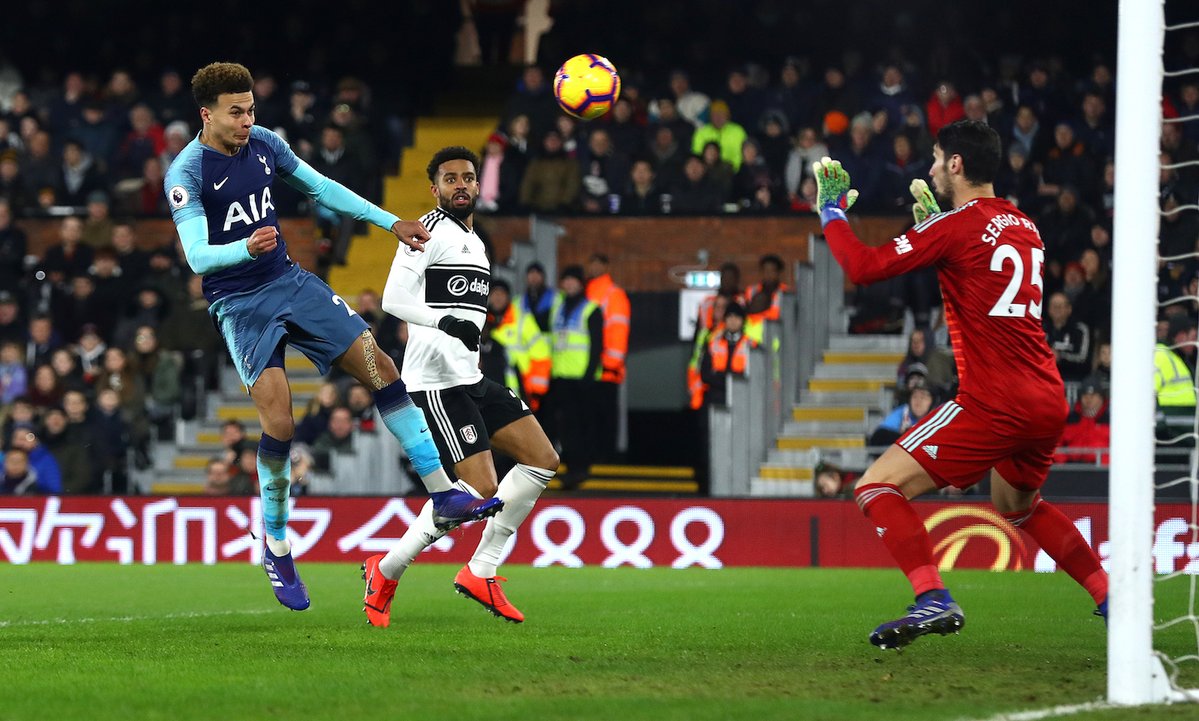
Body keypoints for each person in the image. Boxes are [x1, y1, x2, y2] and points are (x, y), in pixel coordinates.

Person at [163, 63, 500, 612]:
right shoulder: (188, 171)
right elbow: (199, 256)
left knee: (382, 369)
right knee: (280, 422)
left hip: (291, 283)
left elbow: (320, 186)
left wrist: (390, 221)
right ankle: (274, 541)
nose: (249, 120)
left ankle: (443, 492)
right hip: (239, 303)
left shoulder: (266, 144)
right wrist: (244, 249)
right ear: (207, 114)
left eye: (251, 109)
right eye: (236, 112)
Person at [811, 119, 1108, 649]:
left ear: (955, 164)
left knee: (876, 486)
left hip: (995, 401)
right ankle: (1110, 595)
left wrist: (831, 213)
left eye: (933, 158)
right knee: (1018, 507)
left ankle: (933, 598)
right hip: (1046, 398)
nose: (927, 168)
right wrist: (939, 237)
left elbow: (863, 266)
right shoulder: (1026, 227)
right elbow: (978, 283)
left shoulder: (956, 226)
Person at [365, 146, 560, 626]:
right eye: (449, 179)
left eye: (468, 178)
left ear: (478, 185)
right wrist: (446, 321)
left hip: (469, 377)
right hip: (434, 383)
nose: (460, 185)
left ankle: (481, 569)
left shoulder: (476, 241)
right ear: (435, 188)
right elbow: (392, 299)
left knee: (542, 459)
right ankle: (386, 569)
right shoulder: (425, 231)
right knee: (478, 488)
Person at [585, 253, 630, 462]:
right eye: (591, 263)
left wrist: (612, 363)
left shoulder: (613, 294)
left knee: (605, 417)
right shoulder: (590, 292)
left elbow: (618, 330)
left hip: (605, 368)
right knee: (594, 417)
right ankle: (598, 455)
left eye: (597, 263)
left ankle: (606, 457)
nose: (593, 267)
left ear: (605, 266)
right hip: (589, 366)